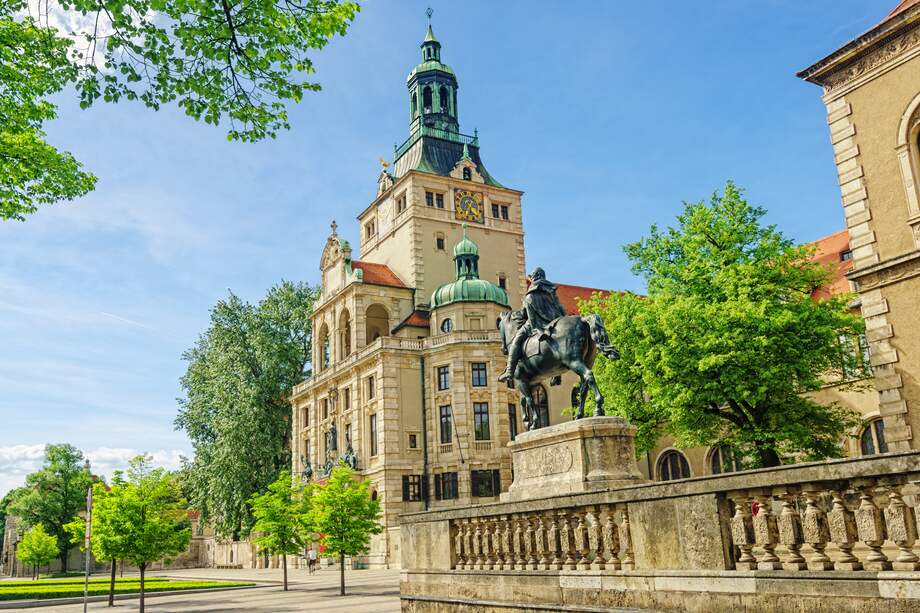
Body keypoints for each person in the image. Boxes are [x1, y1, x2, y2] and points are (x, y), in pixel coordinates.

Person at [498, 267, 567, 382]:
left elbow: (526, 312)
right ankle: (557, 374)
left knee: (516, 341)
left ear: (535, 277)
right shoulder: (551, 292)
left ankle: (509, 371)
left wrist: (517, 315)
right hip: (554, 323)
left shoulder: (531, 293)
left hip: (537, 324)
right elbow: (561, 310)